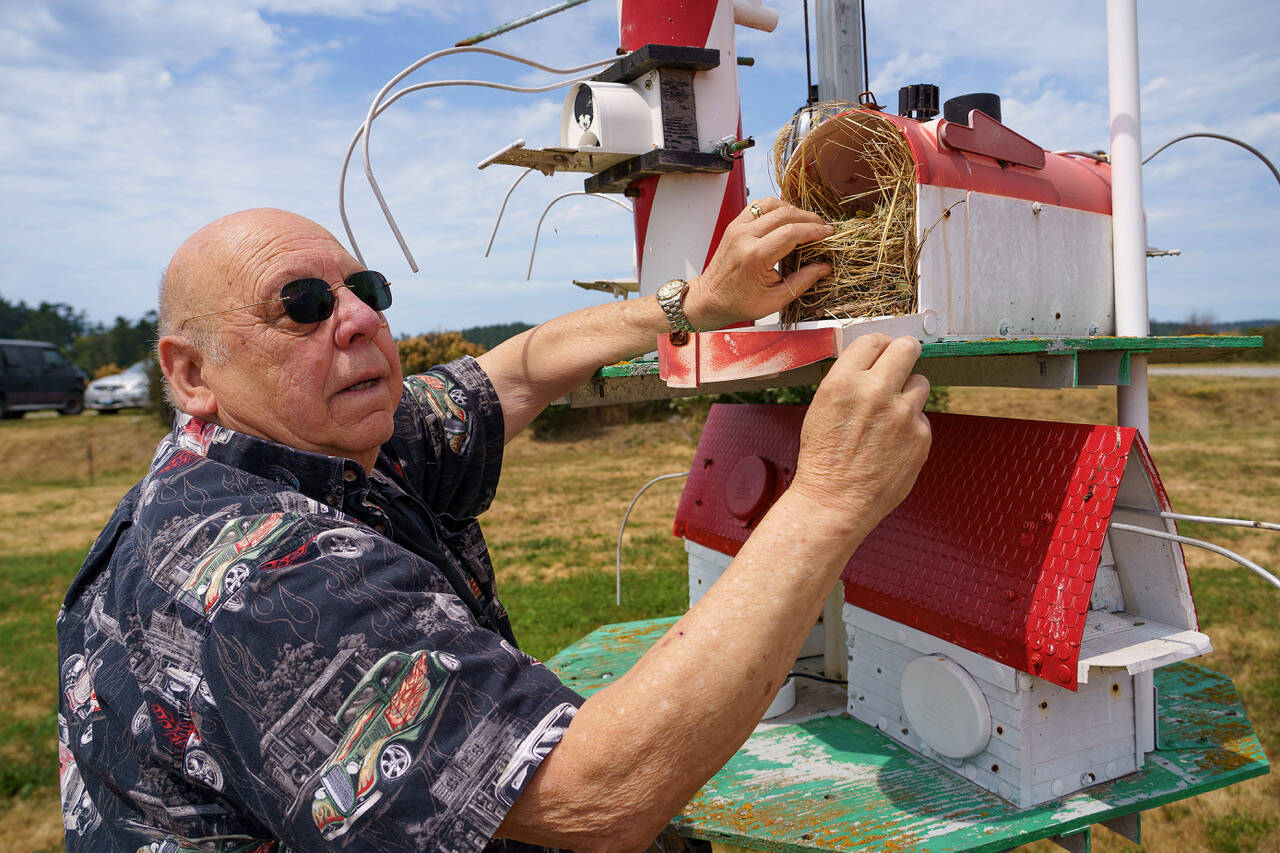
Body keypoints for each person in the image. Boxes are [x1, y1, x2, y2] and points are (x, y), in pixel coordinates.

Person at [57, 203, 932, 852]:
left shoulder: (327, 440)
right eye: (300, 305)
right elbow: (598, 792)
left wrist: (689, 304)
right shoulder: (265, 579)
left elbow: (514, 371)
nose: (358, 318)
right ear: (192, 370)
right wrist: (827, 501)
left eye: (362, 290)